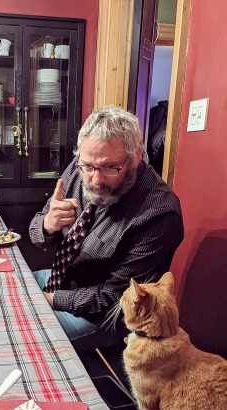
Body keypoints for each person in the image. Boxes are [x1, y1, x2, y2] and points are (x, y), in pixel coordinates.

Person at [29, 105, 184, 352]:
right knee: (2, 292)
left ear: (136, 156)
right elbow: (37, 230)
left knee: (25, 337)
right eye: (88, 167)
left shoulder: (160, 214)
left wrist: (49, 300)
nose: (95, 179)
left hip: (101, 317)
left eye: (110, 167)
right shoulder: (81, 166)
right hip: (62, 281)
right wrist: (47, 225)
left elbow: (113, 297)